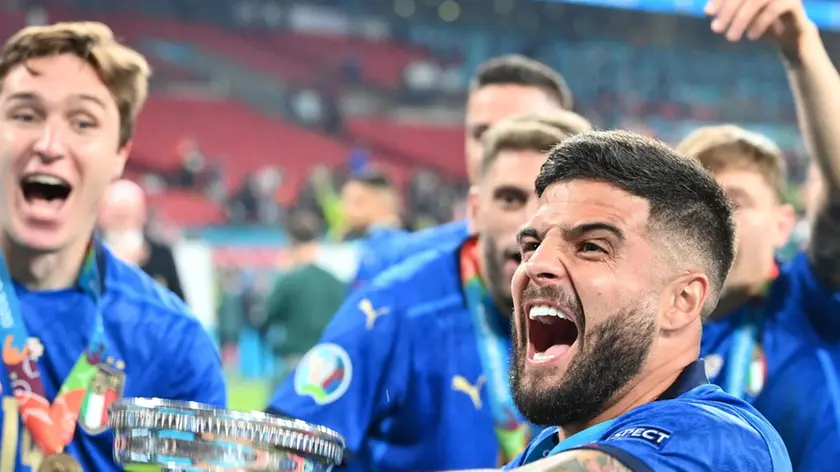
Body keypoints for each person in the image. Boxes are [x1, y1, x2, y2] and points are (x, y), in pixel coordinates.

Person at [266, 112, 592, 472]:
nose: (530, 226)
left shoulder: (611, 324)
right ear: (474, 210)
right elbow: (282, 451)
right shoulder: (395, 311)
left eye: (552, 203)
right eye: (510, 199)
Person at [0, 22, 226, 472]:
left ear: (120, 152)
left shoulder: (172, 343)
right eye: (24, 115)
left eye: (83, 122)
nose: (49, 144)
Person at [496, 130, 790, 472]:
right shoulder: (541, 454)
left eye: (591, 247)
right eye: (532, 245)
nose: (536, 265)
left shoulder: (722, 440)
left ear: (682, 300)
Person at [675, 1, 840, 467]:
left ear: (784, 223)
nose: (718, 219)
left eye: (737, 202)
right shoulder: (652, 334)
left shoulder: (807, 301)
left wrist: (800, 47)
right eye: (702, 203)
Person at [351, 55, 574, 288]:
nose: (496, 151)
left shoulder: (604, 275)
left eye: (522, 133)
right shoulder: (397, 268)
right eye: (482, 134)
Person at [262, 211, 346, 378]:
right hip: (330, 361)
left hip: (297, 362)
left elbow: (269, 315)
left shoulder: (289, 281)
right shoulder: (337, 282)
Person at [98, 179, 186, 300]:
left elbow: (179, 304)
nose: (123, 220)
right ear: (102, 215)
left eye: (128, 212)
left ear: (142, 213)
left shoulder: (161, 254)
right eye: (117, 213)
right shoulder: (88, 255)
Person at [339, 169, 402, 241]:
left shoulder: (408, 241)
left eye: (358, 202)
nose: (347, 210)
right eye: (346, 203)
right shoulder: (348, 238)